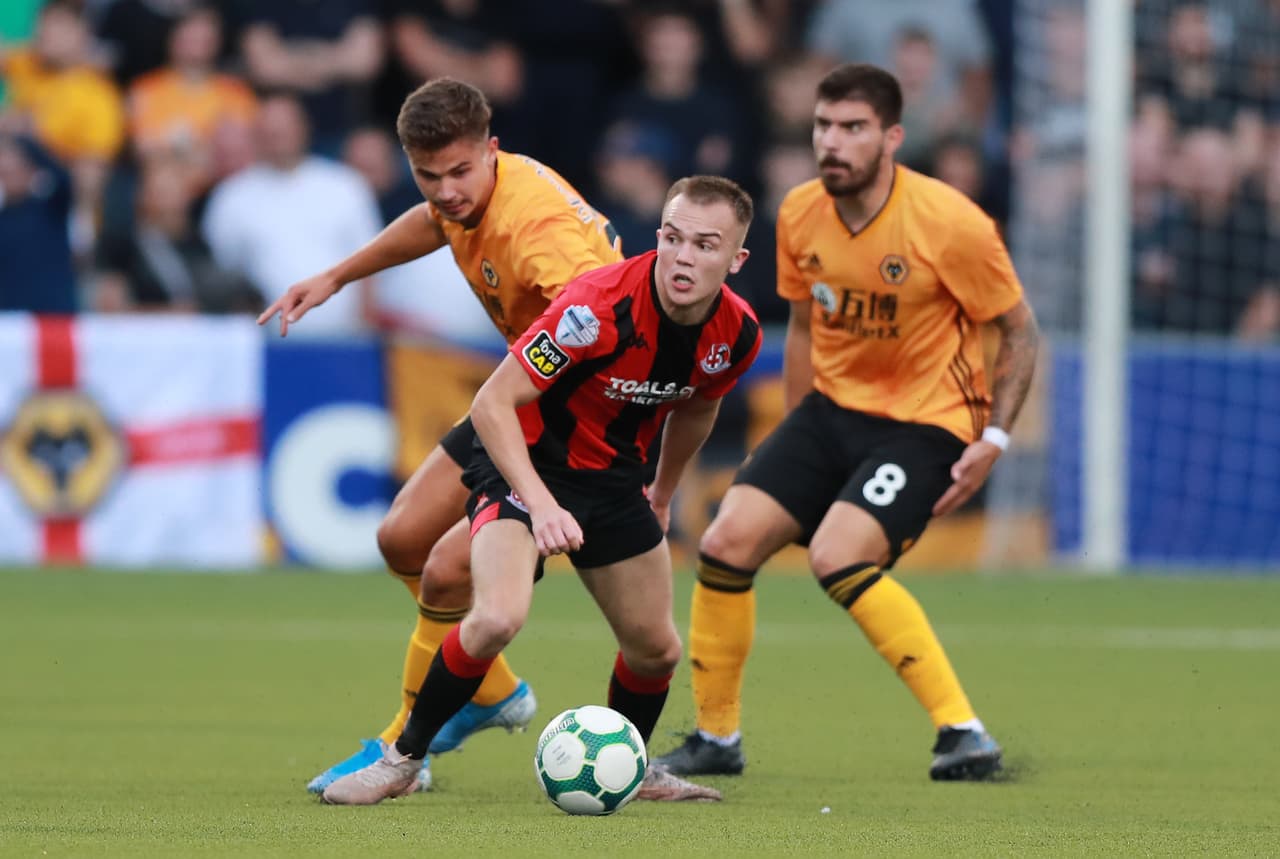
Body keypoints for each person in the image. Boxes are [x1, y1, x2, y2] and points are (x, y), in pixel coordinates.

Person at [319, 175, 762, 806]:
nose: (683, 257)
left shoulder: (736, 333)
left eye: (705, 245)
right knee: (496, 617)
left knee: (657, 651)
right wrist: (543, 504)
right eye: (672, 237)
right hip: (524, 463)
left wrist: (663, 493)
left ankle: (629, 767)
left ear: (736, 259)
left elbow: (697, 408)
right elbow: (492, 404)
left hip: (612, 481)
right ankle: (402, 760)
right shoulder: (595, 310)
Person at [654, 64, 1039, 781]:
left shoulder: (951, 223)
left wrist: (993, 439)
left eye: (853, 128)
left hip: (927, 423)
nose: (832, 142)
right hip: (831, 413)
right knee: (725, 541)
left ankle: (964, 732)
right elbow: (804, 326)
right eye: (823, 126)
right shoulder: (801, 212)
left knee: (836, 555)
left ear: (891, 137)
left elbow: (1019, 330)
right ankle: (716, 736)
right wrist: (794, 429)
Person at [256, 78, 623, 793]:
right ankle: (493, 693)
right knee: (401, 539)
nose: (446, 191)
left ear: (491, 149)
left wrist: (555, 461)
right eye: (429, 175)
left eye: (458, 172)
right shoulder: (473, 191)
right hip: (523, 396)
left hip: (578, 415)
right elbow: (434, 221)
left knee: (448, 573)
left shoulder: (539, 233)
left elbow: (606, 326)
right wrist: (336, 276)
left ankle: (402, 749)